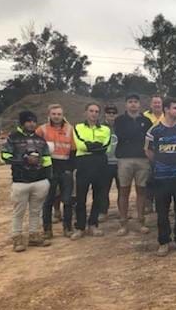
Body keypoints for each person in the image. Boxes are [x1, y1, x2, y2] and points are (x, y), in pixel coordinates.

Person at [145, 98, 176, 256]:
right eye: (175, 108)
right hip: (161, 178)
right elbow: (149, 151)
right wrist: (160, 164)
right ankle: (164, 242)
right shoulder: (155, 131)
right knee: (162, 211)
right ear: (166, 109)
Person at [1, 111, 52, 251]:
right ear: (22, 122)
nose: (32, 124)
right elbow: (4, 156)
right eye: (28, 121)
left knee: (36, 211)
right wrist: (24, 160)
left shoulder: (40, 140)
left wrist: (48, 177)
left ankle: (34, 236)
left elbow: (47, 159)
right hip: (20, 181)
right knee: (19, 212)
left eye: (34, 121)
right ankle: (17, 238)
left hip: (39, 180)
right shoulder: (13, 138)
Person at [71, 103, 111, 240]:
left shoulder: (105, 129)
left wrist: (89, 145)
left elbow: (106, 147)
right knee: (80, 197)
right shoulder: (78, 127)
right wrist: (95, 146)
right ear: (86, 112)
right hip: (84, 163)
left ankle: (93, 224)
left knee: (98, 196)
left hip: (100, 164)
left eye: (96, 111)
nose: (94, 114)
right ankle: (80, 227)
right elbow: (80, 145)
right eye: (91, 111)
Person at [114, 94, 153, 236]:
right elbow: (122, 135)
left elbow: (149, 139)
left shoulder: (146, 121)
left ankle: (141, 222)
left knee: (141, 191)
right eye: (130, 102)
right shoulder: (119, 120)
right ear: (126, 104)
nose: (133, 104)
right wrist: (138, 134)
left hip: (142, 159)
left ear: (139, 104)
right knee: (123, 191)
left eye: (135, 102)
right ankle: (123, 224)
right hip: (124, 159)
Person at [35, 104, 75, 239]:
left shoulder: (70, 129)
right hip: (49, 168)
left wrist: (70, 168)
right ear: (49, 115)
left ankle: (68, 228)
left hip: (65, 167)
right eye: (54, 114)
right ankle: (47, 230)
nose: (56, 116)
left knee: (67, 200)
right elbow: (34, 147)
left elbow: (74, 150)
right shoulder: (42, 129)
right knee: (48, 200)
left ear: (63, 115)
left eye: (59, 114)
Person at [100, 104, 119, 222]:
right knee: (104, 189)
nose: (111, 115)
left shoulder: (121, 126)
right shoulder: (100, 127)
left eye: (113, 113)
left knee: (122, 188)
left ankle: (122, 211)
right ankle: (103, 211)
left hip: (119, 162)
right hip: (105, 162)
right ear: (105, 114)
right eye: (109, 113)